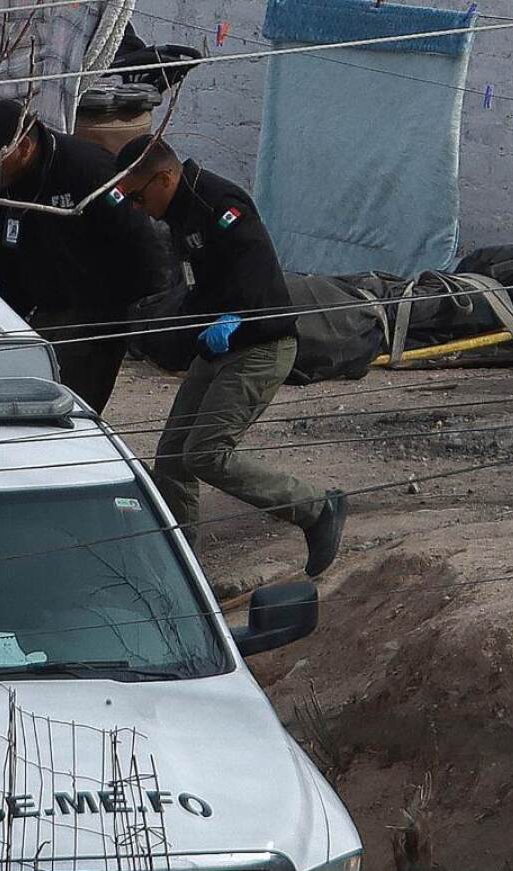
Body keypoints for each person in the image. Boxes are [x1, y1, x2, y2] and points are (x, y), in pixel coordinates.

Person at [113, 134, 345, 577]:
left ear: (164, 177)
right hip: (220, 346)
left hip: (261, 344)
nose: (139, 209)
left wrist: (234, 319)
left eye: (139, 197)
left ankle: (316, 509)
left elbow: (257, 278)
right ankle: (181, 569)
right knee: (174, 456)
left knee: (207, 453)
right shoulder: (179, 213)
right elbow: (199, 286)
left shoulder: (220, 202)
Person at [0, 100, 168, 413]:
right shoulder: (1, 183)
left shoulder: (86, 169)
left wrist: (146, 314)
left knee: (69, 408)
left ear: (23, 147)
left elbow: (140, 239)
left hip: (97, 310)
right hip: (44, 307)